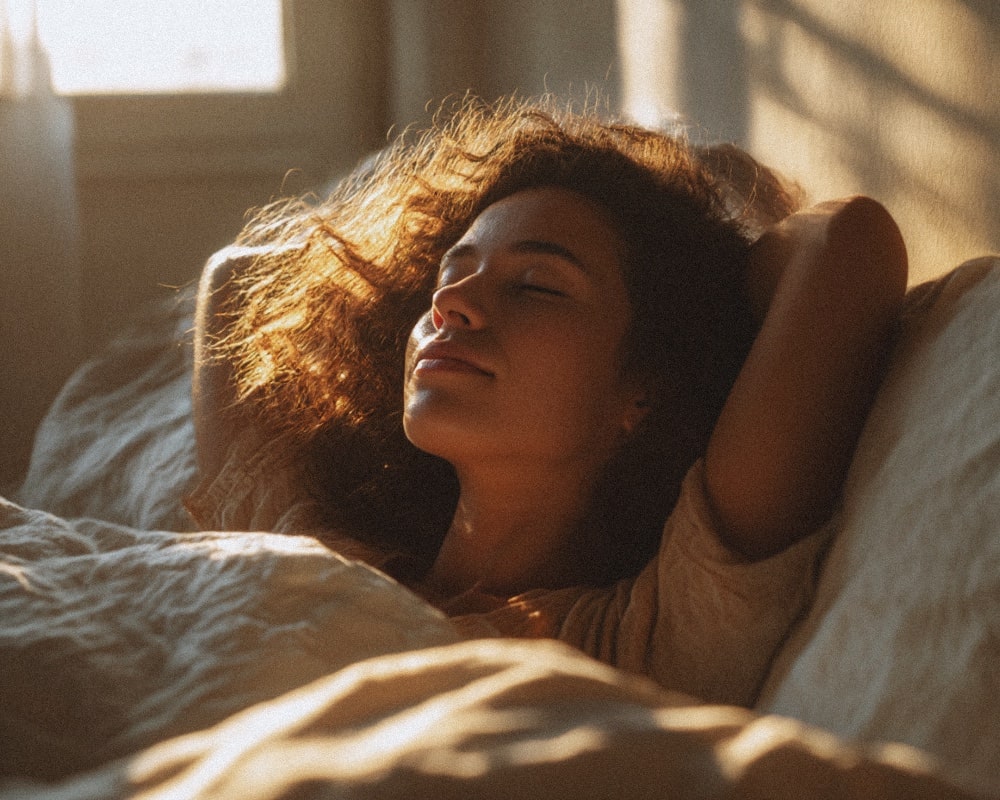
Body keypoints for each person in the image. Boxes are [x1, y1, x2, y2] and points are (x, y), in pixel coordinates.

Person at [186, 96, 907, 705]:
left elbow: (848, 242)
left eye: (537, 285)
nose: (452, 304)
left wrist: (707, 277)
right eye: (448, 275)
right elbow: (238, 276)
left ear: (645, 388)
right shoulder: (310, 557)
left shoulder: (642, 637)